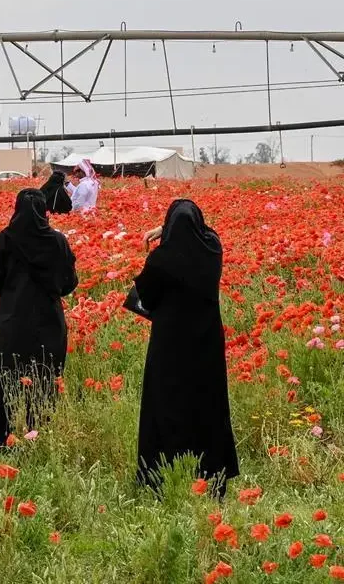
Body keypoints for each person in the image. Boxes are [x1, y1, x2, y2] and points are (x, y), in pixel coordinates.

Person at [133, 199, 238, 498]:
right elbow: (210, 232)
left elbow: (146, 298)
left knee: (166, 406)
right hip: (206, 347)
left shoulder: (161, 260)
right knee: (207, 406)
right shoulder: (212, 251)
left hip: (169, 347)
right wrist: (167, 229)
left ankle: (162, 477)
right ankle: (212, 476)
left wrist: (163, 233)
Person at [0, 189, 78, 451]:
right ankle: (38, 441)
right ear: (45, 210)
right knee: (44, 382)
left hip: (12, 323)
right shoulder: (57, 242)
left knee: (4, 383)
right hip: (49, 323)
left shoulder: (4, 240)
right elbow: (69, 282)